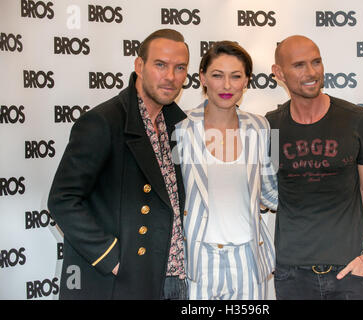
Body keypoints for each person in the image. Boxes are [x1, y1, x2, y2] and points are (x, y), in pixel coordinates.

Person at [47, 29, 189, 299]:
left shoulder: (177, 126)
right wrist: (112, 259)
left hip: (173, 278)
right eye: (160, 65)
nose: (171, 77)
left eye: (179, 68)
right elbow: (63, 200)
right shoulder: (103, 122)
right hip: (123, 282)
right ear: (139, 66)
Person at [266, 35, 363, 300]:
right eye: (299, 65)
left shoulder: (356, 120)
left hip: (349, 271)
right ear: (279, 73)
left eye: (316, 62)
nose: (311, 73)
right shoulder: (271, 127)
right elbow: (263, 193)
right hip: (291, 273)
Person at [174, 41, 278, 299]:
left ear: (247, 81)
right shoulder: (180, 127)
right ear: (203, 78)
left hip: (249, 258)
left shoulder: (261, 127)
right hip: (198, 260)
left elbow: (269, 193)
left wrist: (318, 191)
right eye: (218, 75)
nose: (227, 85)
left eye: (236, 76)